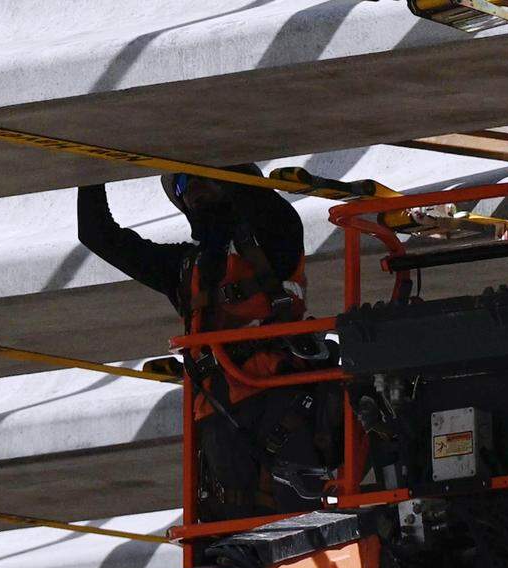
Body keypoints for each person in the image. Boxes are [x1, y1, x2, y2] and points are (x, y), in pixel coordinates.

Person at [77, 166, 338, 520]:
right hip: (218, 416)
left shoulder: (276, 238)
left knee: (296, 522)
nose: (193, 187)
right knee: (228, 526)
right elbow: (96, 233)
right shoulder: (184, 267)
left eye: (204, 177)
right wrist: (94, 166)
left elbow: (258, 200)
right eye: (184, 184)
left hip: (281, 402)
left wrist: (214, 159)